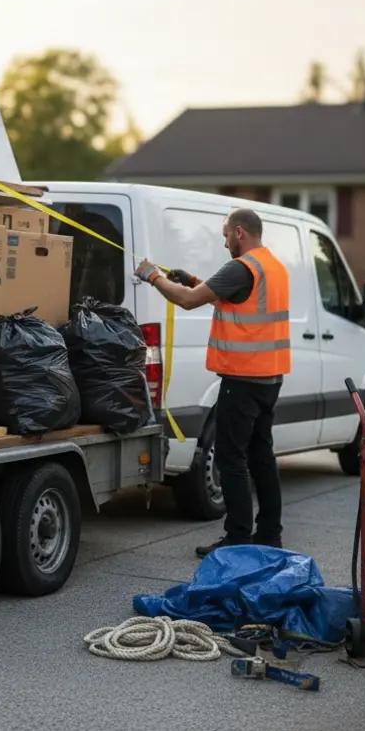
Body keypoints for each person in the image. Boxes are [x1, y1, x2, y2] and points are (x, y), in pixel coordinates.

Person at [134, 207, 291, 557]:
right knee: (262, 456)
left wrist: (152, 277)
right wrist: (192, 279)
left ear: (239, 233)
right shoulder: (273, 267)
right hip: (269, 378)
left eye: (225, 237)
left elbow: (189, 302)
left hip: (243, 377)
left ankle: (237, 537)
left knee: (231, 459)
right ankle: (269, 536)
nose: (224, 244)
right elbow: (232, 296)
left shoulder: (241, 267)